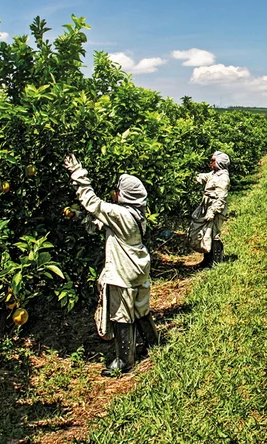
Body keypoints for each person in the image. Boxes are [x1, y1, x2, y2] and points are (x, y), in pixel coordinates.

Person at [63, 154, 159, 376]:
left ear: (124, 194)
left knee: (121, 315)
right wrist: (78, 216)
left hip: (123, 272)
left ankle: (124, 361)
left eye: (117, 189)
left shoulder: (120, 213)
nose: (114, 192)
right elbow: (101, 222)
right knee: (140, 309)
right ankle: (154, 343)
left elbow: (92, 202)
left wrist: (77, 172)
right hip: (138, 269)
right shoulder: (135, 213)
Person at [190, 151, 230, 267]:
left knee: (214, 234)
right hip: (207, 205)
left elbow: (221, 197)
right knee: (207, 233)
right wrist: (189, 175)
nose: (211, 163)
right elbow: (202, 177)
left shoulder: (223, 178)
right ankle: (207, 260)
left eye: (213, 161)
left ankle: (216, 261)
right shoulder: (213, 174)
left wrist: (213, 211)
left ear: (219, 163)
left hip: (216, 208)